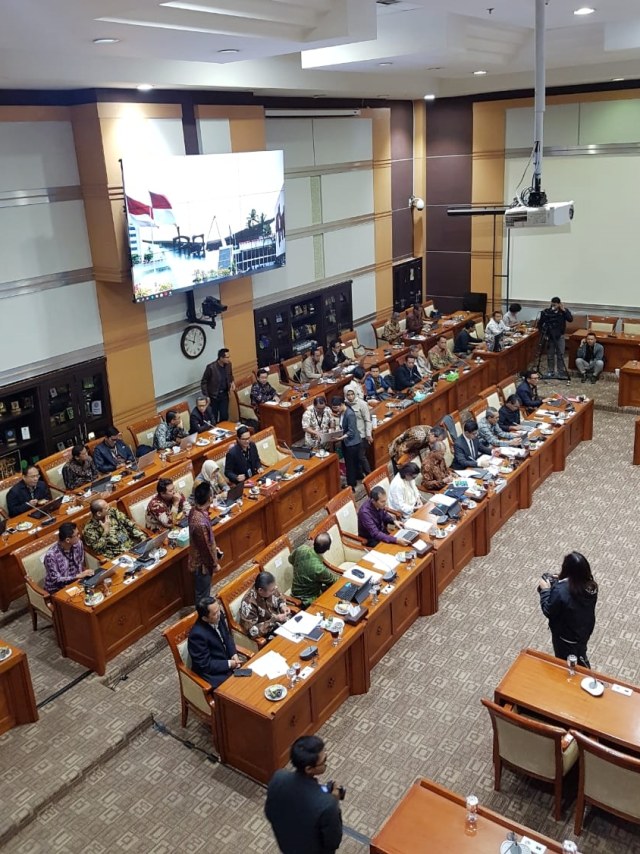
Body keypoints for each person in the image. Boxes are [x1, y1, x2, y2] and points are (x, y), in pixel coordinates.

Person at [265, 735, 343, 854]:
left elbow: (269, 812)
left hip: (286, 845)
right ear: (309, 769)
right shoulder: (327, 804)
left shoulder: (278, 778)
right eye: (324, 761)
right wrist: (335, 801)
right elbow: (333, 842)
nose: (326, 761)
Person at [537, 551, 598, 667]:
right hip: (583, 632)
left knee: (567, 664)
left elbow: (548, 610)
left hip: (565, 638)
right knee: (581, 656)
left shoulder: (560, 591)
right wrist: (561, 580)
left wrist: (545, 590)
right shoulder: (592, 586)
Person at [187, 596, 241, 688]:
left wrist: (233, 653)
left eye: (219, 610)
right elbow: (205, 665)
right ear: (205, 618)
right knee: (236, 690)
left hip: (228, 661)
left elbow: (227, 636)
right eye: (215, 613)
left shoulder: (218, 616)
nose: (219, 614)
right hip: (213, 672)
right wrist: (229, 664)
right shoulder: (197, 636)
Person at [188, 482, 221, 602]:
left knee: (204, 591)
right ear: (209, 498)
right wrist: (214, 564)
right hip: (202, 564)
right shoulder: (199, 523)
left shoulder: (195, 511)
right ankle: (203, 617)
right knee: (203, 595)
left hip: (202, 560)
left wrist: (214, 548)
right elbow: (205, 548)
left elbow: (207, 541)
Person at [289, 533, 340, 607]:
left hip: (295, 592)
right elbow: (333, 581)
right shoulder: (320, 569)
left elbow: (290, 560)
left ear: (314, 542)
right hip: (307, 601)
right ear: (328, 549)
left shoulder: (301, 549)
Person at [239, 571, 290, 643]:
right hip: (266, 633)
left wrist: (283, 606)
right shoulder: (249, 603)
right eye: (272, 590)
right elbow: (252, 632)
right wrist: (273, 621)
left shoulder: (270, 587)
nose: (274, 590)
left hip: (280, 622)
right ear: (260, 591)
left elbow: (279, 597)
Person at [43, 522, 93, 594]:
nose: (79, 536)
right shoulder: (51, 555)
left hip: (77, 583)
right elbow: (56, 580)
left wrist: (85, 573)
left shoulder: (78, 544)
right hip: (57, 590)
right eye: (77, 535)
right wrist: (78, 576)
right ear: (67, 540)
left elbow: (80, 564)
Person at [331, 396, 362, 490]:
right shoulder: (341, 413)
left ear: (341, 405)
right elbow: (342, 426)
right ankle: (356, 477)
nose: (336, 411)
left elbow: (351, 432)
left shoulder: (350, 414)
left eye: (336, 408)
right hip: (346, 442)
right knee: (351, 463)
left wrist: (340, 438)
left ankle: (351, 485)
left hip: (352, 443)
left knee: (350, 465)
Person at [538, 297, 573, 379]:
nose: (554, 305)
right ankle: (550, 371)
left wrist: (564, 310)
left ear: (559, 304)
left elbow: (570, 319)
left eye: (556, 304)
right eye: (552, 303)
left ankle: (560, 372)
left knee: (560, 354)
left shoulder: (563, 311)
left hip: (560, 336)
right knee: (550, 355)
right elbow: (540, 324)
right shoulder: (546, 312)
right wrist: (543, 334)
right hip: (550, 336)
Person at [200, 347, 235, 423]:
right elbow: (204, 382)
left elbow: (230, 375)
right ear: (221, 358)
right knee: (214, 416)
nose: (228, 359)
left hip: (225, 394)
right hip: (214, 396)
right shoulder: (211, 367)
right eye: (227, 357)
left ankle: (224, 429)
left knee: (224, 415)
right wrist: (206, 396)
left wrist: (232, 382)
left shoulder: (229, 365)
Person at [344, 388, 371, 477]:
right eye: (348, 395)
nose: (350, 397)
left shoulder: (362, 404)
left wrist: (368, 434)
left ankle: (369, 475)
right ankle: (359, 475)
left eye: (352, 394)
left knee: (361, 457)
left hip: (361, 434)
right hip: (351, 436)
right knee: (354, 458)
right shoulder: (345, 404)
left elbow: (367, 420)